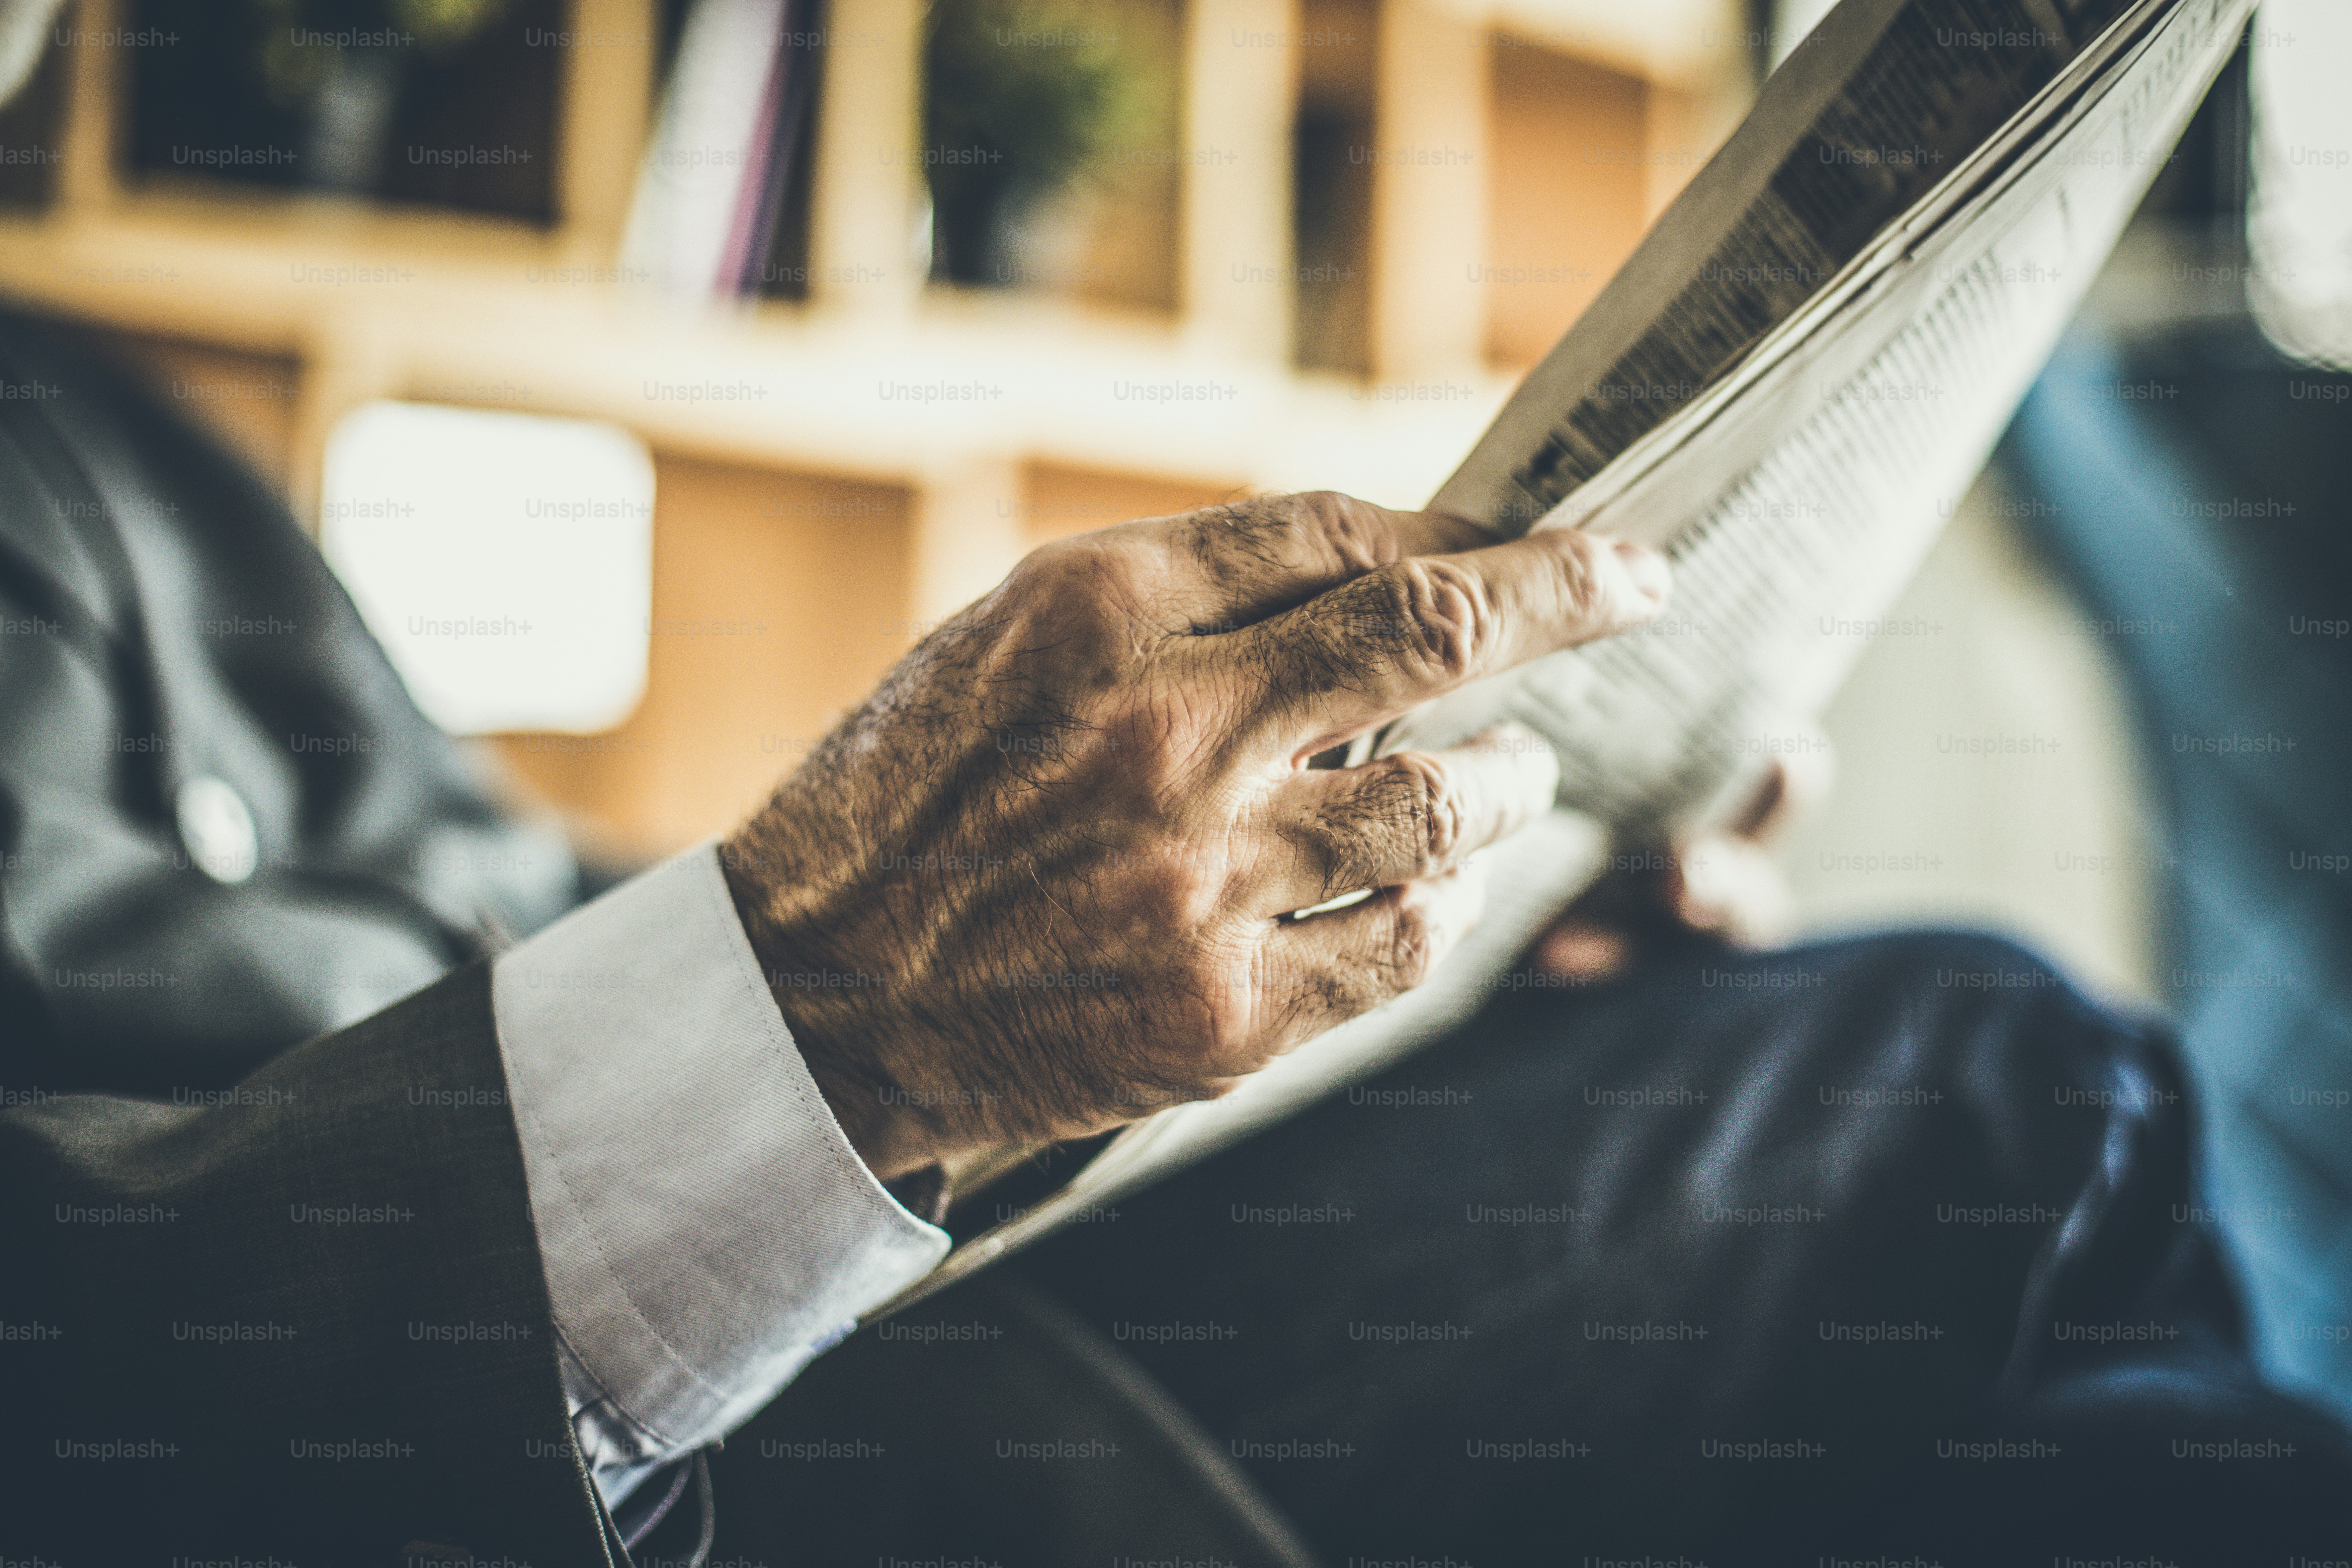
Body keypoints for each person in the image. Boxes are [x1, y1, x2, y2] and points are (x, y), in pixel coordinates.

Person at [2, 11, 2345, 1566]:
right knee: (1980, 1084)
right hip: (592, 1457)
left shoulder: (98, 436)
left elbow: (522, 907)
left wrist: (1407, 985)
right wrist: (831, 1002)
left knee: (2056, 1308)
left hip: (871, 1309)